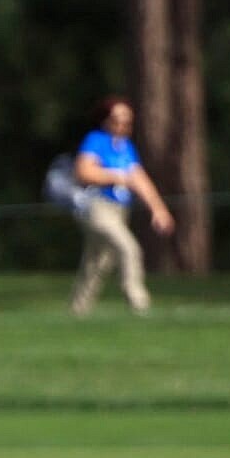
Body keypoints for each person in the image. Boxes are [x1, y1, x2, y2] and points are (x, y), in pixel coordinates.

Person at [68, 97, 176, 317]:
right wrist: (116, 176)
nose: (123, 125)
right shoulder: (96, 140)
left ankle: (78, 309)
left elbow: (140, 179)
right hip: (98, 208)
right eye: (117, 120)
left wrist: (158, 209)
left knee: (97, 262)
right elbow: (83, 172)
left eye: (127, 121)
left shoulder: (126, 148)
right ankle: (138, 301)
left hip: (119, 210)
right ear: (106, 120)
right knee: (129, 248)